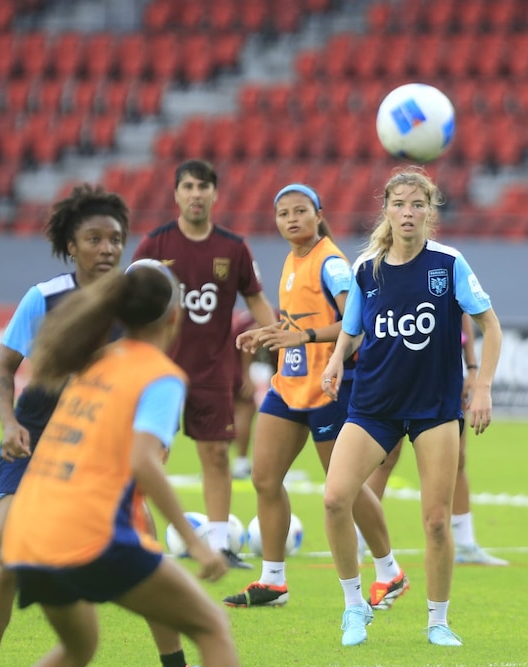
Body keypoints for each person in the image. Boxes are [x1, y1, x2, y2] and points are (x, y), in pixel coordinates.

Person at [0, 185, 207, 667]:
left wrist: (157, 440)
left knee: (148, 548)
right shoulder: (45, 298)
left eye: (115, 238)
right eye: (93, 239)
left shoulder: (139, 301)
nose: (107, 248)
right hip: (32, 450)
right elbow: (5, 370)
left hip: (105, 457)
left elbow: (153, 379)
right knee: (6, 558)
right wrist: (8, 425)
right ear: (71, 246)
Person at [0, 261, 247, 667]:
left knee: (78, 648)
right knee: (211, 627)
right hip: (87, 535)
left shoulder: (94, 363)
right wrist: (198, 542)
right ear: (175, 317)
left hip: (27, 532)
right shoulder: (160, 375)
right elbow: (143, 463)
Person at [320, 167, 503, 647]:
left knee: (436, 520)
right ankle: (354, 607)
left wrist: (481, 385)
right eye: (399, 204)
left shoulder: (449, 263)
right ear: (386, 209)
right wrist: (337, 359)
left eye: (417, 204)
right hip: (373, 406)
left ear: (430, 211)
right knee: (336, 497)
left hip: (434, 408)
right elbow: (353, 326)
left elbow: (491, 325)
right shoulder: (367, 268)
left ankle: (438, 621)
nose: (408, 212)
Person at [221, 184, 409, 611]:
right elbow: (296, 322)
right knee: (265, 478)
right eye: (283, 212)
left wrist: (302, 336)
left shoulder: (332, 264)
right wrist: (272, 334)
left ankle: (389, 570)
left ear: (318, 214)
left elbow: (355, 324)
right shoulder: (291, 260)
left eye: (300, 211)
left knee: (343, 486)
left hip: (329, 386)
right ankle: (273, 581)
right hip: (289, 386)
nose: (291, 218)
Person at [133, 159, 278, 569]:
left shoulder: (233, 248)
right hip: (160, 374)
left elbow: (255, 301)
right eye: (189, 186)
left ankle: (219, 546)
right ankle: (137, 539)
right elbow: (130, 301)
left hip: (213, 371)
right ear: (176, 194)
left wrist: (288, 344)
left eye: (204, 187)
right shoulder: (155, 246)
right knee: (150, 455)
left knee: (216, 456)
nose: (196, 194)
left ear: (215, 194)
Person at [364, 313, 508, 565]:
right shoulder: (381, 274)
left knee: (458, 460)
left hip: (444, 373)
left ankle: (465, 543)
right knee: (385, 459)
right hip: (401, 371)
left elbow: (464, 314)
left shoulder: (450, 274)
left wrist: (472, 369)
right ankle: (359, 539)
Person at [229, 309, 259, 481]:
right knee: (245, 409)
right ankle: (240, 462)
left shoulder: (243, 315)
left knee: (232, 414)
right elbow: (250, 341)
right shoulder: (273, 315)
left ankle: (229, 461)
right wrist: (246, 374)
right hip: (237, 368)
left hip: (227, 365)